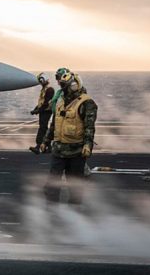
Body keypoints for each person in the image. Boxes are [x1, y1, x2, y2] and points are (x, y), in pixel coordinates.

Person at [41, 72, 97, 204]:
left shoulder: (86, 103)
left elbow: (90, 127)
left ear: (73, 86)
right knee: (52, 185)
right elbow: (54, 124)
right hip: (58, 151)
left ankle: (75, 213)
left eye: (64, 86)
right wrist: (45, 141)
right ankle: (52, 210)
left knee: (75, 187)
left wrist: (87, 146)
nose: (62, 89)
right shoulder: (61, 102)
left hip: (76, 152)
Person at [29, 73, 55, 155]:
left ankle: (38, 146)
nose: (40, 82)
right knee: (44, 128)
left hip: (46, 111)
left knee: (42, 128)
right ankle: (49, 147)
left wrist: (37, 111)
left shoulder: (49, 90)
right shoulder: (44, 89)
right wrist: (36, 109)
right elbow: (42, 102)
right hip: (43, 111)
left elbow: (46, 104)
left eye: (41, 80)